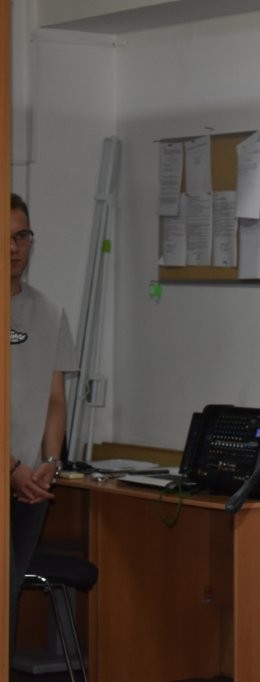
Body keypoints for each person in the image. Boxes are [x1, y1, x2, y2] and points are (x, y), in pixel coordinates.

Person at [9, 192, 75, 644]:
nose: (14, 248)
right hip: (12, 472)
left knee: (9, 591)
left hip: (29, 484)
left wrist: (50, 463)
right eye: (5, 238)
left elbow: (55, 399)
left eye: (22, 236)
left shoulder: (50, 313)